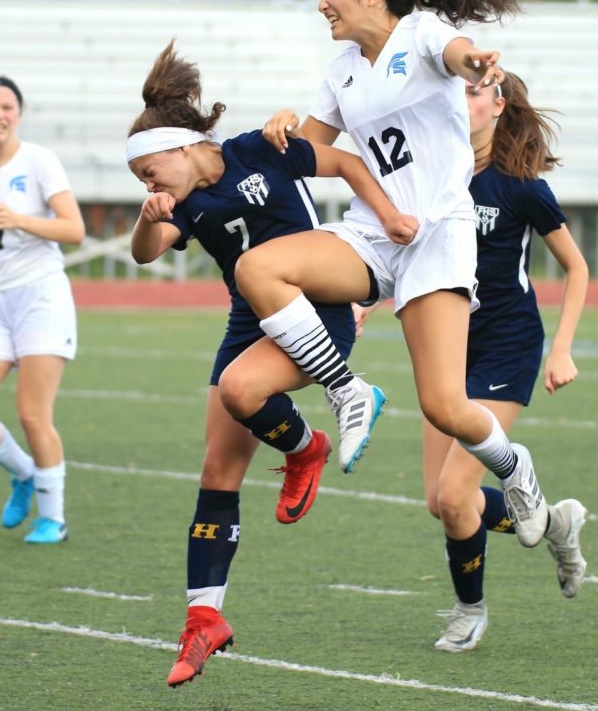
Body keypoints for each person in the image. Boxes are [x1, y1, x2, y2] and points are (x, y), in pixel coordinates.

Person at [233, 0, 554, 549]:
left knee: (444, 407)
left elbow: (459, 55)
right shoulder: (341, 71)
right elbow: (308, 150)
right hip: (371, 233)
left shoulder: (424, 32)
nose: (322, 3)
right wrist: (279, 127)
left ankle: (516, 470)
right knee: (259, 268)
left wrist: (477, 64)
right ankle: (347, 390)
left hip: (438, 234)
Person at [125, 40, 414, 687]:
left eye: (150, 172)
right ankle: (204, 620)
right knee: (217, 470)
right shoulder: (184, 203)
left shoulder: (259, 147)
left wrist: (391, 216)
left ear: (182, 145)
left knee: (239, 390)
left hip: (318, 307)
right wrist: (148, 218)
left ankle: (317, 430)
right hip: (245, 323)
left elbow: (341, 159)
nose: (148, 185)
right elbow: (146, 254)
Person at [357, 72, 590, 652]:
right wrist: (365, 299)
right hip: (449, 345)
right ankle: (557, 523)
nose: (460, 102)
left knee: (459, 497)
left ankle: (470, 611)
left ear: (498, 105)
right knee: (440, 502)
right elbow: (407, 247)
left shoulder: (521, 188)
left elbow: (577, 268)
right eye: (455, 92)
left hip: (507, 346)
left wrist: (561, 347)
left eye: (472, 92)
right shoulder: (435, 178)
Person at [0, 74, 85, 544]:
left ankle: (53, 518)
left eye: (6, 107)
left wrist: (19, 220)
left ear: (18, 112)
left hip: (40, 297)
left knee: (33, 414)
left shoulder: (39, 161)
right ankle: (23, 474)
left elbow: (74, 230)